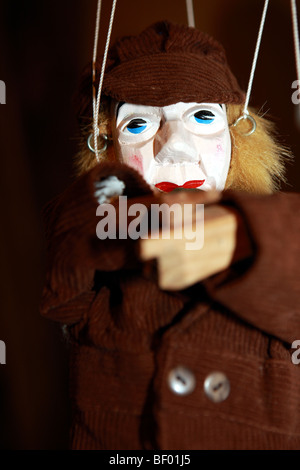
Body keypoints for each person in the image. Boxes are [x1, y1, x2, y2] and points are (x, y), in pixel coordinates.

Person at [40, 21, 300, 450]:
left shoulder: (277, 232)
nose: (175, 146)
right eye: (138, 124)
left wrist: (246, 236)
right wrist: (146, 222)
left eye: (202, 116)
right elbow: (70, 246)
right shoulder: (92, 235)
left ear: (240, 140)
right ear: (105, 150)